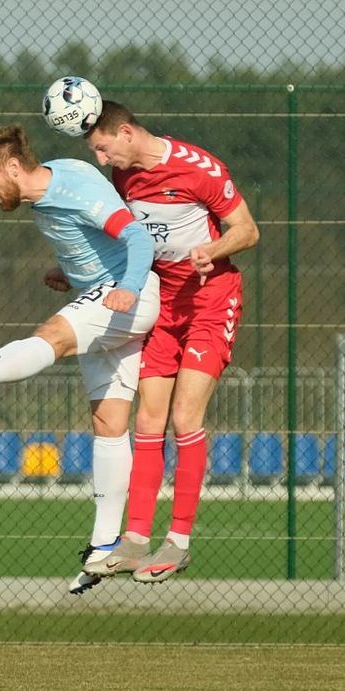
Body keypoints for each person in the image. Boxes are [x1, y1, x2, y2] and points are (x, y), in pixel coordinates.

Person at [0, 124, 159, 595]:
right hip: (106, 295)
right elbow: (94, 241)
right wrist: (69, 271)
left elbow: (138, 241)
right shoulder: (54, 185)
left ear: (11, 166)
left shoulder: (72, 188)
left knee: (53, 335)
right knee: (108, 423)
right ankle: (105, 546)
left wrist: (126, 288)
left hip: (128, 296)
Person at [81, 101, 260, 583]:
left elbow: (248, 230)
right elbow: (128, 242)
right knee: (148, 416)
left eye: (103, 148)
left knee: (185, 416)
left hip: (211, 299)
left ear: (125, 133)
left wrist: (214, 249)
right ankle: (136, 538)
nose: (101, 160)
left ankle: (178, 541)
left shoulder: (199, 168)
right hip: (162, 303)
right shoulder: (121, 181)